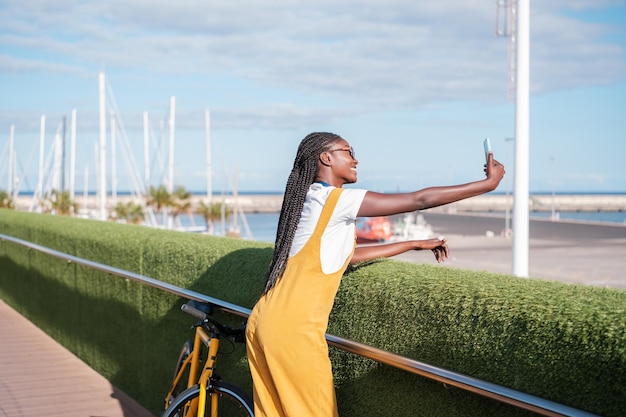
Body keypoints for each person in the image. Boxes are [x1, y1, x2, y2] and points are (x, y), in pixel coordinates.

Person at [245, 132, 505, 417]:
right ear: (326, 157)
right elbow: (419, 199)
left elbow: (341, 258)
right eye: (348, 151)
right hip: (293, 331)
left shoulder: (311, 200)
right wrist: (487, 185)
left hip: (265, 322)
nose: (356, 159)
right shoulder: (334, 200)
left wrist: (411, 243)